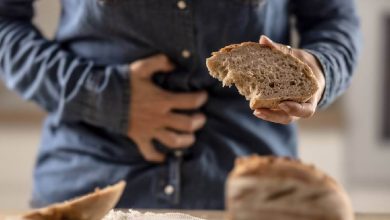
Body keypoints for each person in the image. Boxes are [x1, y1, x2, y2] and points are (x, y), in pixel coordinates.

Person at [0, 0, 360, 209]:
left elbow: (333, 18)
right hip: (90, 187)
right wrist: (104, 97)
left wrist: (321, 69)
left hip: (250, 195)